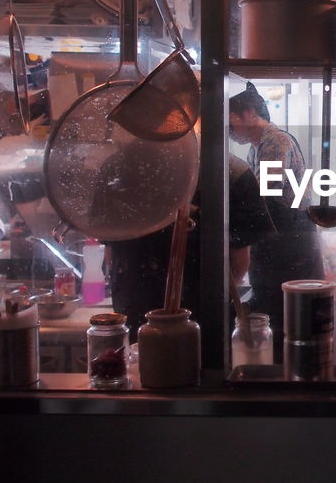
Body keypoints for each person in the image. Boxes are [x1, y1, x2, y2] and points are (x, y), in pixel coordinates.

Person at [108, 155, 274, 369]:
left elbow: (110, 257)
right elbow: (239, 265)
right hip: (152, 325)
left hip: (184, 324)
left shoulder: (230, 171)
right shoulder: (116, 167)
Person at [228, 82, 325, 349]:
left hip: (290, 245)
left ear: (249, 113)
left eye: (231, 119)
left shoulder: (275, 141)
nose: (229, 129)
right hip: (279, 243)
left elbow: (266, 193)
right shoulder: (256, 146)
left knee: (292, 323)